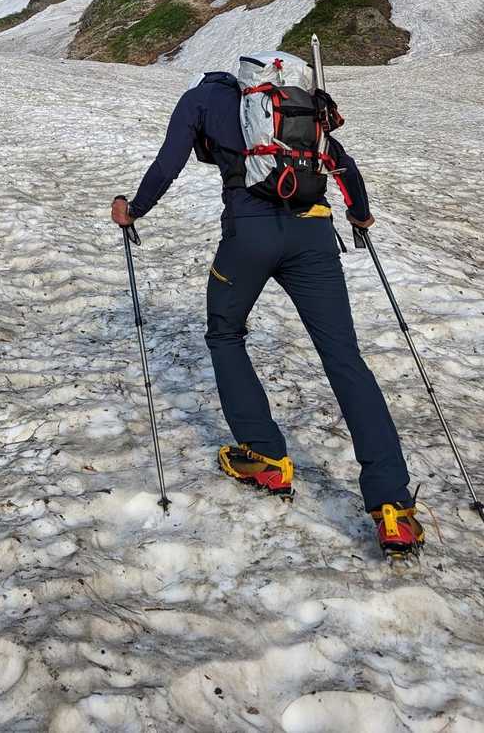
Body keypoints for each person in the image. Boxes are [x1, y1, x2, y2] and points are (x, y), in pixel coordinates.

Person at [110, 51, 424, 558]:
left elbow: (169, 162)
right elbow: (342, 163)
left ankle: (264, 456)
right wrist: (360, 216)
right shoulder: (294, 105)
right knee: (344, 357)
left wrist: (134, 209)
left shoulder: (199, 100)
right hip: (314, 234)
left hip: (249, 236)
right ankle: (393, 507)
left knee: (225, 332)